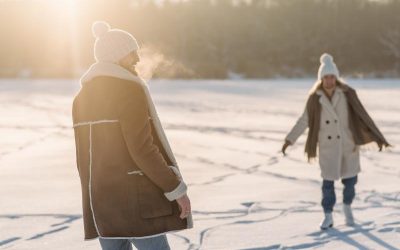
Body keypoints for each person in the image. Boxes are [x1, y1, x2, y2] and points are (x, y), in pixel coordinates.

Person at [72, 21, 193, 250]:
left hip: (101, 206)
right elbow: (142, 148)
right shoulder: (129, 90)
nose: (137, 59)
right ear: (117, 56)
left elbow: (82, 162)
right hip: (137, 204)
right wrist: (175, 188)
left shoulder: (81, 98)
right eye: (132, 53)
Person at [282, 53, 390, 230]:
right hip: (328, 148)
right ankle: (328, 216)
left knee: (350, 182)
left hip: (348, 145)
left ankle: (347, 206)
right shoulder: (314, 99)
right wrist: (289, 139)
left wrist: (376, 137)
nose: (329, 80)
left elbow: (363, 116)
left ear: (336, 77)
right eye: (326, 77)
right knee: (328, 185)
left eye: (332, 77)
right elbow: (303, 121)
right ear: (321, 79)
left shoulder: (347, 94)